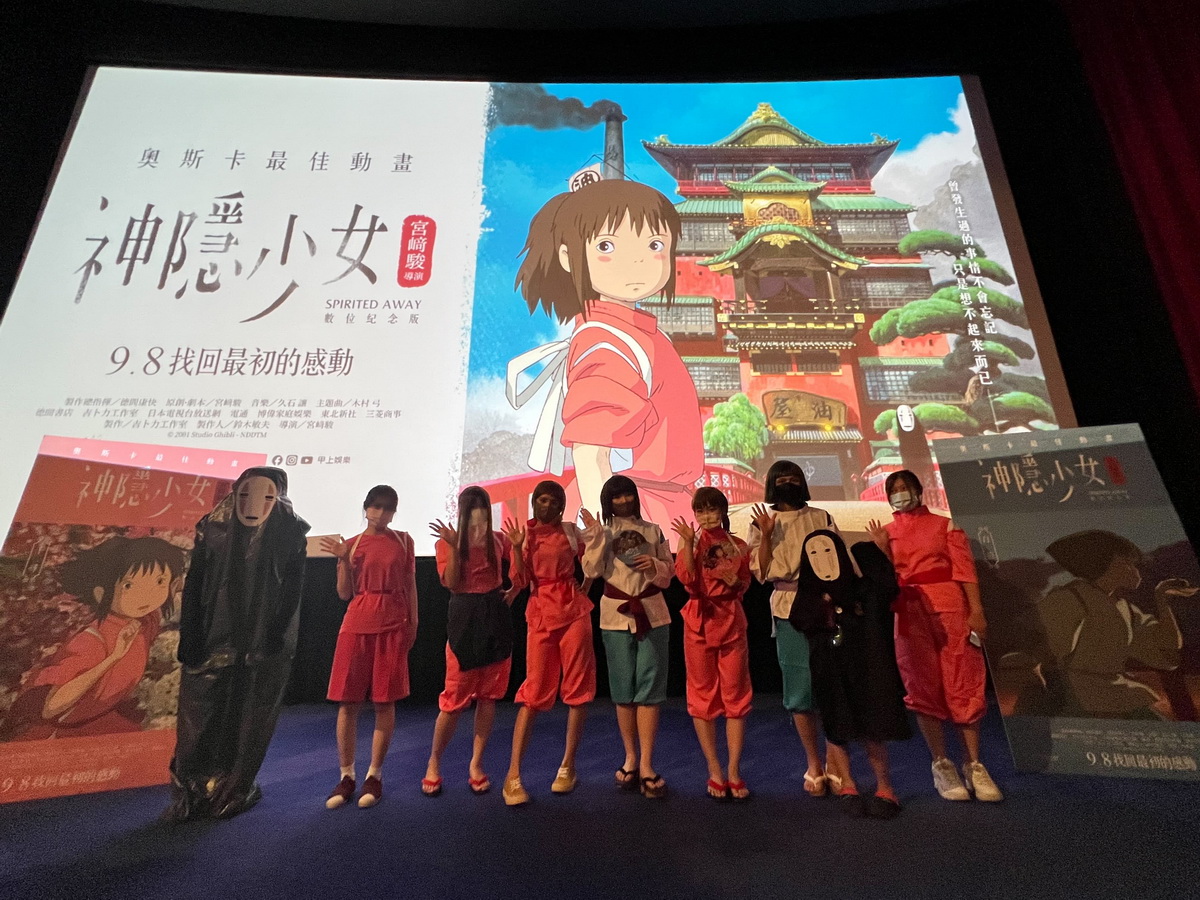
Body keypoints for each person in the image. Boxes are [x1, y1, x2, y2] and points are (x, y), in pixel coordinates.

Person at [506, 179, 704, 545]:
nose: (637, 261)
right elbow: (591, 455)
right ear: (568, 257)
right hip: (637, 515)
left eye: (654, 244)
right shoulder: (606, 343)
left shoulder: (632, 332)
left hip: (652, 508)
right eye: (607, 246)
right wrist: (610, 540)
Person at [164, 467, 309, 822]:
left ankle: (228, 789)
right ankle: (198, 790)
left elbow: (291, 592)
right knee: (207, 713)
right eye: (245, 494)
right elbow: (196, 582)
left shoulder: (288, 533)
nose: (254, 504)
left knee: (247, 716)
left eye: (266, 496)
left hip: (257, 646)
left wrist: (274, 635)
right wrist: (191, 634)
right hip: (220, 639)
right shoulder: (215, 529)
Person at [872, 468, 1002, 802]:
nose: (900, 493)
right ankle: (941, 764)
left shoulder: (945, 525)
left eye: (905, 487)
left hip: (950, 607)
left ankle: (974, 764)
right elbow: (886, 580)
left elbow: (965, 570)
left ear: (918, 490)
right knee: (920, 685)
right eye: (894, 489)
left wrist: (976, 609)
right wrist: (882, 551)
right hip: (909, 611)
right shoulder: (885, 532)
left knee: (963, 680)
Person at [10, 536, 186, 740]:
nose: (147, 594)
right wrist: (113, 658)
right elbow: (50, 708)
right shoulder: (91, 643)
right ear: (101, 594)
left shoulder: (144, 619)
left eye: (159, 581)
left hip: (104, 719)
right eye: (129, 585)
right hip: (66, 734)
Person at [792, 529, 910, 819]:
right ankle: (848, 784)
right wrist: (823, 606)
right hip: (830, 670)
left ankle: (885, 787)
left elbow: (888, 589)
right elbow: (800, 619)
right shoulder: (809, 595)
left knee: (872, 726)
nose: (822, 559)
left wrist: (877, 551)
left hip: (864, 666)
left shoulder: (861, 588)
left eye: (828, 551)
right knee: (837, 725)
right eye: (814, 554)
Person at [322, 485, 418, 810]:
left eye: (388, 508)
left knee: (384, 702)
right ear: (366, 508)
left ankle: (374, 775)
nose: (381, 513)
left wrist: (414, 624)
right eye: (376, 506)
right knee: (348, 703)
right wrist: (343, 560)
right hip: (356, 625)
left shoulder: (404, 541)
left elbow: (410, 586)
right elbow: (344, 593)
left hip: (393, 625)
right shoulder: (350, 545)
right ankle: (346, 775)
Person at [501, 480, 596, 806]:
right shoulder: (524, 535)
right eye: (542, 500)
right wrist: (516, 549)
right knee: (534, 691)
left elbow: (594, 561)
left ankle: (568, 766)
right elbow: (520, 580)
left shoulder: (570, 531)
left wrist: (585, 586)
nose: (548, 505)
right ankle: (513, 775)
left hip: (573, 611)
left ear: (561, 505)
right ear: (534, 503)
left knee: (578, 689)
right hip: (541, 612)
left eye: (554, 501)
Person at [747, 461, 837, 796]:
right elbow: (760, 572)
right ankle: (813, 763)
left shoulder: (821, 517)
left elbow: (837, 561)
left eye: (794, 477)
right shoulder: (761, 522)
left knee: (830, 685)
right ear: (772, 484)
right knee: (799, 689)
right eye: (781, 478)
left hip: (823, 606)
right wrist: (766, 535)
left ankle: (835, 761)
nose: (788, 482)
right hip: (786, 609)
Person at [581, 475, 673, 798]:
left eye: (627, 495)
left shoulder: (653, 530)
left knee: (650, 689)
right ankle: (630, 757)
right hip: (615, 616)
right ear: (608, 501)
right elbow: (591, 570)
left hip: (653, 613)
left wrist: (654, 566)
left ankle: (646, 763)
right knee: (622, 689)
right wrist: (595, 537)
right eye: (616, 497)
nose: (623, 502)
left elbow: (669, 575)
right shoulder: (602, 532)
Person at [423, 486, 517, 796]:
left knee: (488, 696)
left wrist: (514, 588)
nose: (478, 516)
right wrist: (454, 547)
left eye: (482, 509)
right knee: (454, 699)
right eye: (473, 510)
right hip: (464, 615)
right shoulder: (447, 542)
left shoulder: (499, 540)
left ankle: (476, 763)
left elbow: (517, 575)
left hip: (494, 613)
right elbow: (451, 582)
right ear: (463, 512)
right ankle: (434, 763)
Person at [1040, 529, 1191, 718]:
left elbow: (1168, 645)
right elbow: (1048, 654)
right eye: (1126, 563)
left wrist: (1162, 600)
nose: (1135, 571)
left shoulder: (1125, 608)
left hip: (1117, 691)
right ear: (1104, 565)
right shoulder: (1068, 599)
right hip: (1076, 696)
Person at [671, 487, 753, 802]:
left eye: (712, 509)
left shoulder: (738, 545)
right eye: (701, 510)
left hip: (730, 620)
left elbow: (745, 584)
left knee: (736, 695)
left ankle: (733, 769)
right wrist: (687, 544)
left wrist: (737, 583)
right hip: (699, 622)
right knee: (702, 695)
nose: (706, 516)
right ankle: (714, 768)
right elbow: (687, 579)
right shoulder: (690, 543)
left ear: (722, 511)